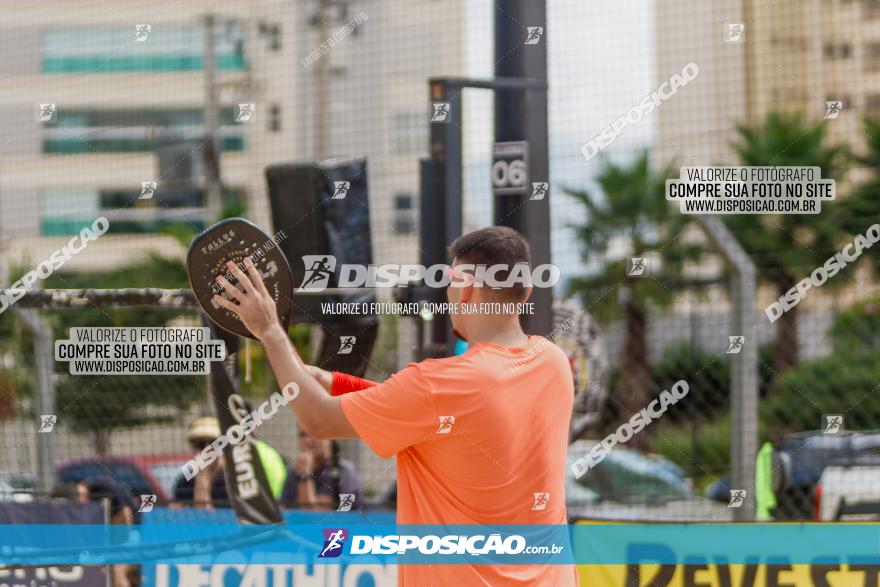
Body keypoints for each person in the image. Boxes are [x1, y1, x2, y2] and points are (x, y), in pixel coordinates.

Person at [213, 226, 577, 586]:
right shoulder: (553, 363)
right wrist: (338, 382)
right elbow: (444, 418)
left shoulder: (437, 385)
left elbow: (319, 421)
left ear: (465, 288)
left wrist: (270, 332)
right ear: (526, 291)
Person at [280, 428, 361, 510]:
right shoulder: (293, 470)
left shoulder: (345, 470)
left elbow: (316, 516)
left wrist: (304, 476)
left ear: (329, 439)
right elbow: (284, 509)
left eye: (313, 434)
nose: (307, 440)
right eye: (302, 435)